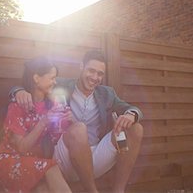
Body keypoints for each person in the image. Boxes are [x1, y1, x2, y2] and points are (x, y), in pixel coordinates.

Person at [9, 50, 144, 193]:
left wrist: (131, 115)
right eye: (91, 71)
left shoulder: (107, 94)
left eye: (100, 74)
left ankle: (119, 190)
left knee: (136, 129)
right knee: (79, 128)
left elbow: (132, 108)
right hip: (64, 157)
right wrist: (18, 91)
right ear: (81, 67)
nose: (95, 77)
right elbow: (31, 84)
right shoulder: (61, 84)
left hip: (96, 155)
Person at [0, 56, 72, 193]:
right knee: (51, 168)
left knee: (43, 189)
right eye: (52, 78)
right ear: (36, 78)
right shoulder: (17, 106)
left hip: (37, 161)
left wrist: (67, 121)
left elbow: (56, 138)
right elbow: (22, 148)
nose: (55, 82)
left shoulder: (53, 104)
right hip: (11, 160)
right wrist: (44, 122)